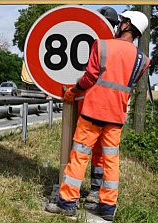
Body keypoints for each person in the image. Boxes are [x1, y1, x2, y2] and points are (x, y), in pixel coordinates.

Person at [45, 10, 150, 221]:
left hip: (93, 111)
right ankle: (108, 208)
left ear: (128, 26)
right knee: (111, 160)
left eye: (121, 22)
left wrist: (72, 92)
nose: (118, 25)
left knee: (79, 155)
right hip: (116, 116)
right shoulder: (143, 60)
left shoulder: (102, 45)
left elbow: (90, 77)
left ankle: (67, 203)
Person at [82, 6, 119, 205]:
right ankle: (90, 191)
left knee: (95, 152)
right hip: (94, 104)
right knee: (88, 151)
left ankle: (94, 190)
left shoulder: (110, 47)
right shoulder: (103, 45)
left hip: (99, 106)